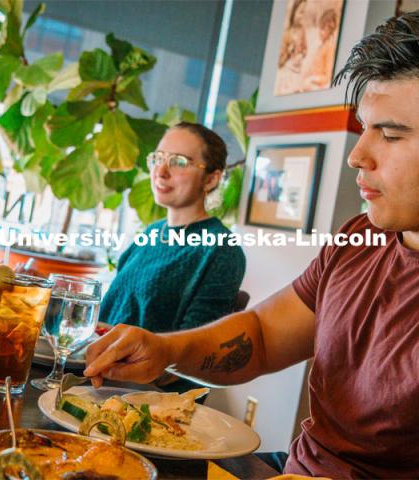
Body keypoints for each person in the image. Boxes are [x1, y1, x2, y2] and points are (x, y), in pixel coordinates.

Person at [85, 11, 419, 479]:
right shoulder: (358, 238)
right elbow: (260, 338)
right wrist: (164, 348)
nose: (357, 155)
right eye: (364, 127)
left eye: (391, 133)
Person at [99, 121, 246, 333]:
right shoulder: (151, 233)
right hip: (95, 357)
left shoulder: (221, 250)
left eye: (179, 161)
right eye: (158, 158)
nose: (161, 171)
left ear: (211, 180)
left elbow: (194, 345)